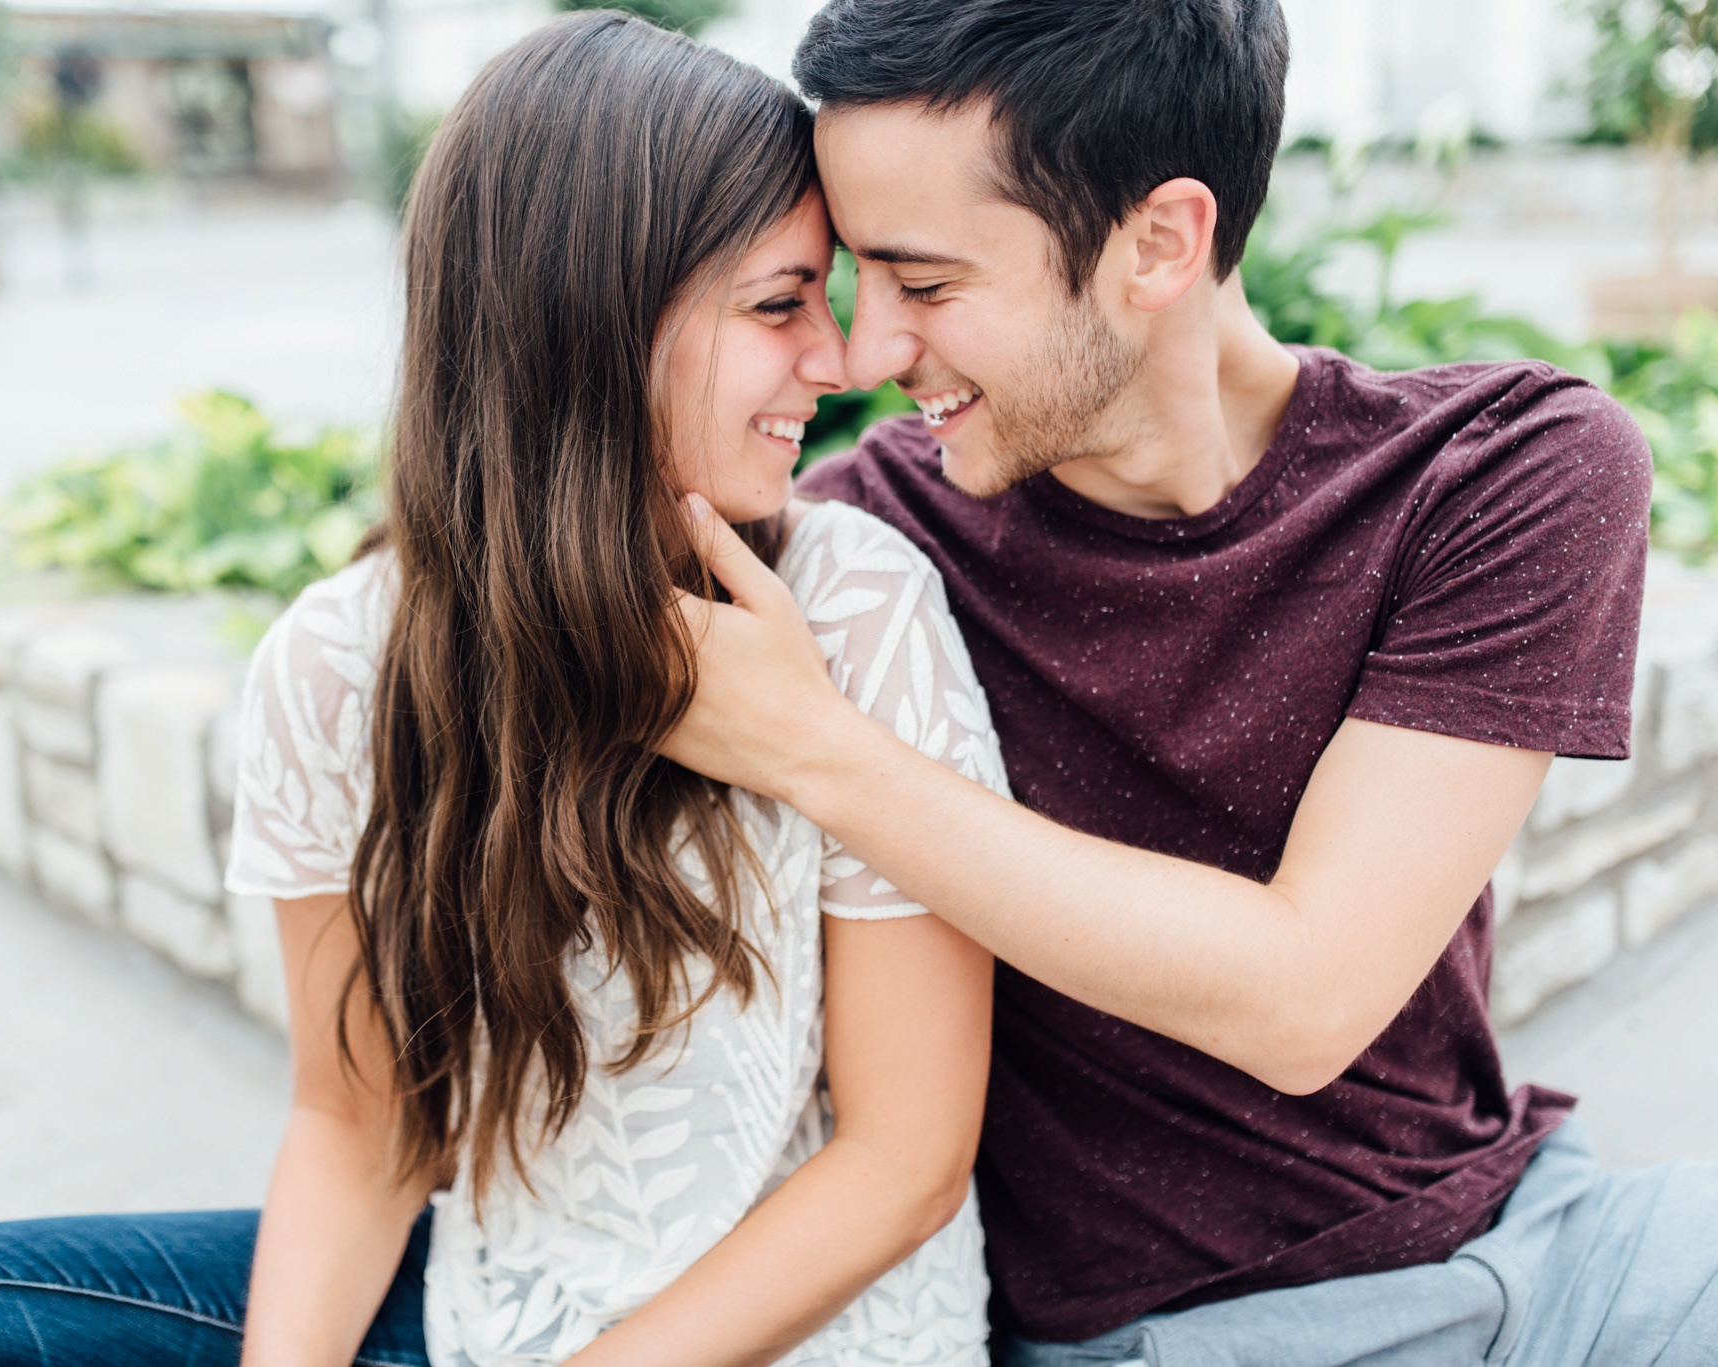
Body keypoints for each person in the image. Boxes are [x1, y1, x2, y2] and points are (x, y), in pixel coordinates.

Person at [0, 13, 1008, 1367]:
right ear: (588, 319)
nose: (838, 359)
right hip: (485, 1312)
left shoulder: (858, 609)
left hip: (812, 1338)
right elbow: (358, 1127)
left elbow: (903, 1160)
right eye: (777, 304)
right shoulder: (347, 663)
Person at [654, 1, 1713, 1364]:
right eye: (855, 278)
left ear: (1160, 243)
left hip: (1545, 1255)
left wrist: (822, 752)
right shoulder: (859, 555)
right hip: (1165, 1336)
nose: (866, 353)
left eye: (924, 286)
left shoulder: (1498, 473)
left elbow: (1306, 996)